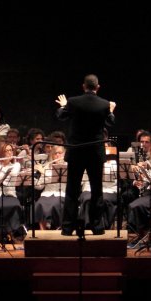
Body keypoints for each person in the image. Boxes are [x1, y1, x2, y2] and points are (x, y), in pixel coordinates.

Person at [54, 74, 116, 236]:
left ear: (83, 86)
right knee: (97, 190)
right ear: (98, 87)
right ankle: (97, 227)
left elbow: (61, 116)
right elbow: (110, 122)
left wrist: (63, 105)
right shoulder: (104, 104)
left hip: (76, 152)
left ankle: (67, 228)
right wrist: (111, 110)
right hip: (95, 152)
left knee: (72, 190)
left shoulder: (73, 102)